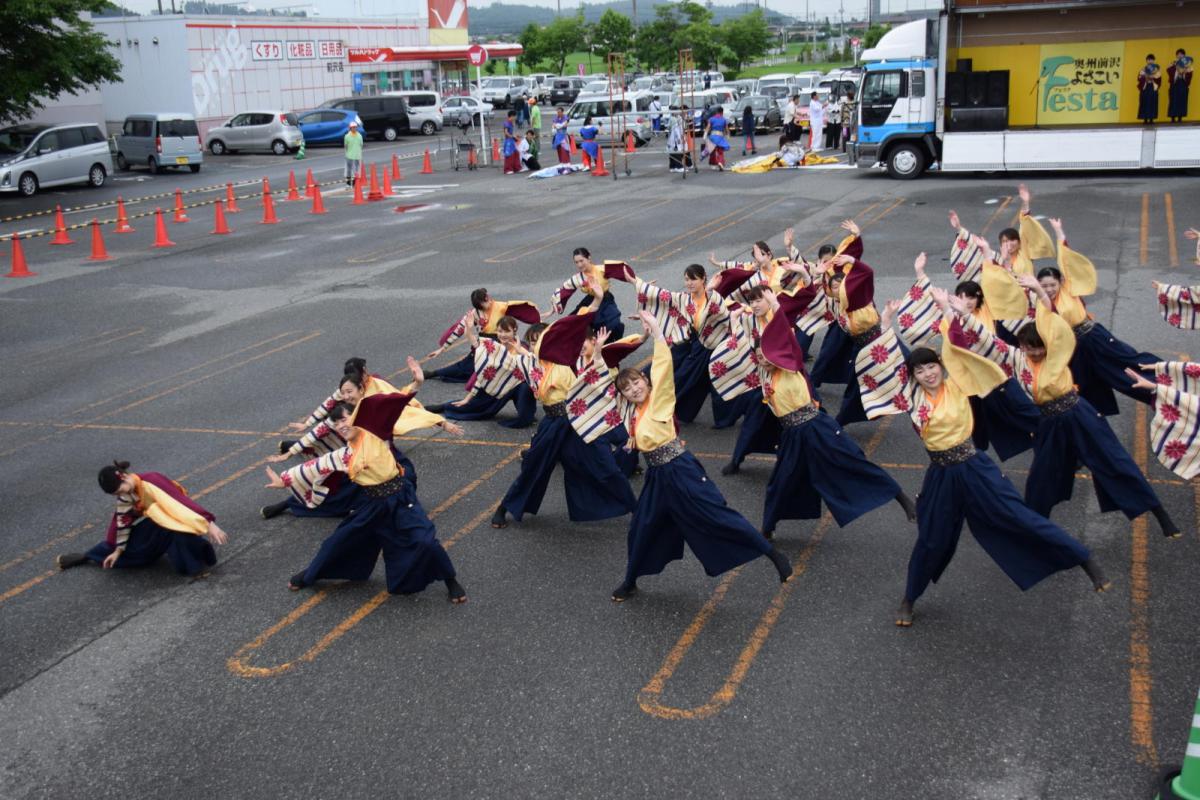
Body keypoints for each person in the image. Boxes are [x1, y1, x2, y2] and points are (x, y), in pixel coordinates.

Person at [858, 289, 1108, 628]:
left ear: (940, 368)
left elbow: (961, 348)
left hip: (975, 466)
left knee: (1017, 515)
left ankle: (1084, 559)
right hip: (941, 474)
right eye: (921, 371)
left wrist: (953, 313)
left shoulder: (959, 385)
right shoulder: (911, 398)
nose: (929, 374)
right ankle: (909, 597)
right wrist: (886, 324)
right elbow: (887, 365)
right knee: (932, 539)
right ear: (914, 376)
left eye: (932, 367)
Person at [952, 270, 1181, 538]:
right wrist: (961, 314)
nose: (1035, 352)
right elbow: (987, 339)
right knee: (1041, 480)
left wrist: (1038, 290)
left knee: (1114, 461)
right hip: (1049, 422)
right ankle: (1037, 532)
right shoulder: (1016, 358)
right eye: (1029, 347)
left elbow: (1050, 320)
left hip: (1077, 412)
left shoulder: (1058, 353)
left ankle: (1159, 513)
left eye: (1039, 347)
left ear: (1049, 346)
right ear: (1022, 346)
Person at [609, 311, 794, 602]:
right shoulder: (635, 410)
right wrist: (636, 441)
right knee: (641, 527)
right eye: (627, 388)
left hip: (680, 471)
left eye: (636, 382)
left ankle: (774, 555)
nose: (634, 389)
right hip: (658, 477)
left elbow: (662, 369)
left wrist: (657, 333)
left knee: (717, 516)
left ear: (645, 380)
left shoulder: (660, 398)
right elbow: (636, 423)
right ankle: (630, 580)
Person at [265, 386, 468, 604]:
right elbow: (314, 467)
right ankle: (311, 574)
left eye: (345, 420)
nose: (342, 426)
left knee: (425, 541)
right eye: (337, 423)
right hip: (372, 504)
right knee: (338, 541)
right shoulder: (343, 454)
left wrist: (422, 392)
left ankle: (450, 580)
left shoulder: (376, 432)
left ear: (356, 418)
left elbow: (403, 412)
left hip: (400, 499)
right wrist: (284, 479)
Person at [746, 285, 916, 540]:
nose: (763, 359)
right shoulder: (763, 373)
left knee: (852, 460)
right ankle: (768, 528)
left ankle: (901, 498)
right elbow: (760, 334)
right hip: (793, 435)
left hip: (815, 426)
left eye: (767, 356)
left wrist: (777, 307)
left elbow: (785, 338)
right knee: (780, 482)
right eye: (759, 356)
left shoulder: (790, 365)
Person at [490, 304, 638, 530]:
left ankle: (637, 508)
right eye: (532, 341)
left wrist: (597, 349)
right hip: (551, 424)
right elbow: (518, 359)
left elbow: (593, 372)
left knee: (603, 465)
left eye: (540, 339)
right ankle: (504, 507)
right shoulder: (531, 363)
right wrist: (517, 350)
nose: (536, 344)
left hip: (575, 422)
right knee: (533, 465)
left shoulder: (568, 361)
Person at [57, 461, 229, 575]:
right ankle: (88, 557)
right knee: (127, 549)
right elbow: (122, 522)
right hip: (158, 522)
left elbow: (182, 504)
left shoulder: (152, 481)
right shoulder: (126, 494)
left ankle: (195, 565)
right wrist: (117, 550)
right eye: (117, 494)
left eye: (120, 491)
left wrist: (209, 523)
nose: (121, 495)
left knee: (178, 532)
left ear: (124, 477)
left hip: (174, 518)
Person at [425, 313, 537, 429]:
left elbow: (536, 365)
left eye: (506, 331)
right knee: (475, 406)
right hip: (496, 385)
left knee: (525, 388)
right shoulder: (493, 346)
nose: (503, 335)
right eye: (500, 331)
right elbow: (475, 343)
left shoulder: (523, 348)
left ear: (514, 330)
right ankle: (445, 406)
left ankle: (526, 415)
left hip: (516, 387)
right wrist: (468, 328)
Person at [426, 288, 542, 383]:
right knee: (465, 367)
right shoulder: (475, 313)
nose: (483, 308)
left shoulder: (501, 306)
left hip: (501, 343)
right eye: (479, 307)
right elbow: (459, 330)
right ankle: (434, 373)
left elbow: (521, 310)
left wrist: (538, 319)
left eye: (483, 305)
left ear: (487, 298)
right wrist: (442, 349)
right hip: (483, 346)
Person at [549, 247, 625, 339]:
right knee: (571, 323)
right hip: (590, 301)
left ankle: (609, 346)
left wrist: (639, 285)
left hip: (606, 300)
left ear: (589, 258)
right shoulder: (578, 278)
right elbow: (564, 290)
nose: (579, 265)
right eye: (576, 262)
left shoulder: (602, 270)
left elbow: (624, 272)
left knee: (614, 323)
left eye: (581, 261)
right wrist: (554, 306)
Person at [699, 105, 730, 171]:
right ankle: (720, 162)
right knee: (720, 151)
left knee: (711, 151)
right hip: (720, 137)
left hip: (712, 136)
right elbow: (726, 129)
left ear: (716, 112)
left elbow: (708, 127)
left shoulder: (711, 119)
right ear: (722, 112)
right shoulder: (724, 119)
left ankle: (712, 164)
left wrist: (704, 136)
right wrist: (728, 135)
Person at [1167, 48, 1193, 122]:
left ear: (1184, 55)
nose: (1180, 55)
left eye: (1181, 54)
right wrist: (1176, 71)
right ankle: (1172, 117)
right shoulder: (1174, 62)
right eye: (1178, 54)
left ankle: (1180, 117)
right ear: (1176, 55)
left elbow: (1190, 74)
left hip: (1183, 83)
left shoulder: (1188, 64)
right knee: (1173, 100)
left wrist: (1184, 72)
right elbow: (1169, 70)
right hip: (1175, 83)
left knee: (1182, 100)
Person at [1138, 54, 1162, 124]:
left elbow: (1159, 79)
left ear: (1154, 61)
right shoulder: (1143, 69)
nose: (1150, 61)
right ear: (1146, 61)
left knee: (1152, 102)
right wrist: (1145, 77)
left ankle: (1151, 119)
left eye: (1151, 59)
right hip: (1145, 87)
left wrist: (1152, 77)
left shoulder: (1157, 70)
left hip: (1152, 86)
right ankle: (1145, 119)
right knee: (1144, 102)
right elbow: (1139, 78)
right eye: (1148, 60)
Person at [668, 108, 692, 173]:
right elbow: (677, 130)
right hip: (676, 138)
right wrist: (681, 137)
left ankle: (673, 167)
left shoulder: (675, 118)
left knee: (673, 152)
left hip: (675, 138)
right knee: (677, 152)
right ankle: (678, 167)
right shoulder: (675, 119)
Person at [343, 120, 363, 187]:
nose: (354, 128)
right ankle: (348, 183)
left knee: (356, 170)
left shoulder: (359, 136)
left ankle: (354, 183)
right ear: (350, 128)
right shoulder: (347, 136)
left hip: (357, 155)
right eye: (352, 127)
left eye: (355, 127)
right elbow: (346, 146)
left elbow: (361, 145)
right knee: (349, 169)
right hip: (349, 155)